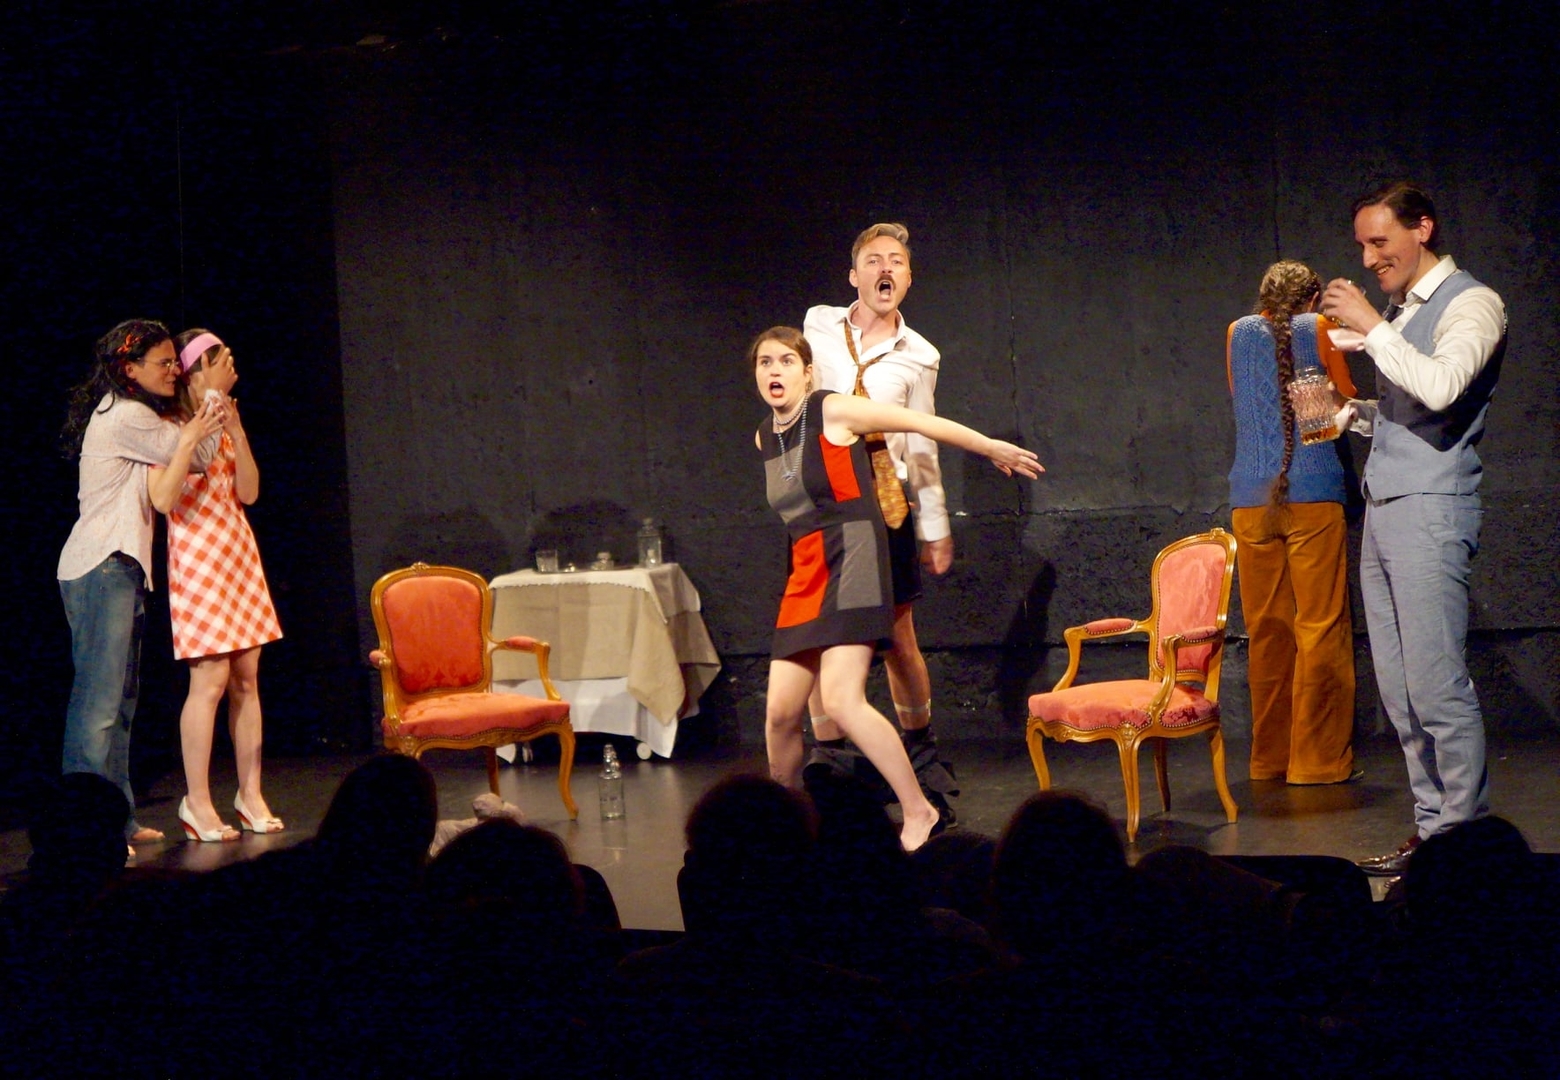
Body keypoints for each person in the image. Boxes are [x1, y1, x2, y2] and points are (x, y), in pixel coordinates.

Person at [752, 327, 1041, 850]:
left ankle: (918, 809)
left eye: (786, 361)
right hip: (807, 566)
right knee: (778, 715)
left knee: (841, 699)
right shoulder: (764, 437)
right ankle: (789, 833)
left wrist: (986, 446)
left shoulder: (831, 409)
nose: (775, 370)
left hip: (855, 555)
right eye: (765, 362)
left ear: (807, 372)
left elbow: (917, 422)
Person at [1321, 182, 1506, 875]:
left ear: (1422, 228)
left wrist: (1372, 328)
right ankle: (1433, 833)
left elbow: (1443, 387)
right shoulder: (1403, 312)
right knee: (1401, 694)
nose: (1370, 258)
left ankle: (1463, 844)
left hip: (1431, 508)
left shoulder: (1472, 303)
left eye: (1380, 241)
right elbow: (1414, 411)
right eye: (1363, 245)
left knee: (1436, 688)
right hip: (1386, 508)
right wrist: (1353, 414)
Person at [802, 223, 959, 821]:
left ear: (908, 278)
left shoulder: (920, 354)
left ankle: (920, 754)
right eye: (873, 260)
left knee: (896, 639)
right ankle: (831, 762)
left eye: (895, 261)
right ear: (854, 275)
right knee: (820, 636)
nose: (884, 269)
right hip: (822, 506)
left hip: (882, 504)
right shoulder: (817, 327)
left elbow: (922, 442)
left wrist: (935, 524)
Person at [57, 319, 229, 856]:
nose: (173, 370)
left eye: (175, 361)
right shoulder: (128, 415)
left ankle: (119, 819)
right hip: (102, 565)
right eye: (163, 362)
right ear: (129, 369)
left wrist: (203, 418)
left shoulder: (133, 414)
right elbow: (196, 455)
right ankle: (87, 829)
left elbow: (194, 453)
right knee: (99, 705)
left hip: (118, 567)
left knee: (121, 704)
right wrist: (211, 400)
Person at [1226, 261, 1360, 784]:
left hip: (1251, 501)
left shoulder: (1238, 334)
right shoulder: (1317, 328)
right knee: (1320, 628)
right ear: (1311, 298)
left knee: (1268, 632)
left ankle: (1269, 759)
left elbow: (1249, 404)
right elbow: (1337, 406)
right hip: (1313, 493)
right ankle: (1318, 762)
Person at [148, 329, 284, 842]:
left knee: (247, 679)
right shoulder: (167, 428)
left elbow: (248, 491)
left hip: (238, 552)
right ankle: (198, 802)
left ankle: (250, 794)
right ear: (195, 373)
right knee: (209, 682)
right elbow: (166, 498)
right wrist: (209, 406)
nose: (229, 369)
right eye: (218, 362)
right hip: (198, 555)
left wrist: (238, 430)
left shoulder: (223, 420)